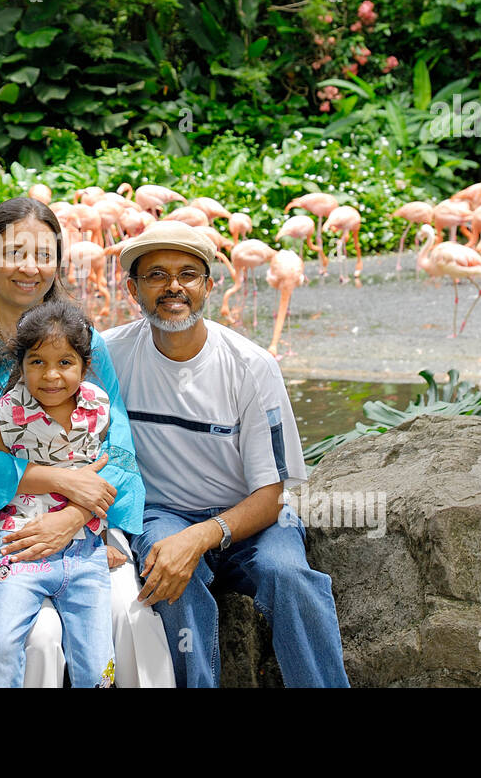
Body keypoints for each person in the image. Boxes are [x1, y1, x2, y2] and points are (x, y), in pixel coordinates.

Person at [0, 195, 174, 687]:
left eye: (44, 254)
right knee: (35, 636)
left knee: (130, 610)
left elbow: (118, 450)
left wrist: (76, 514)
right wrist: (65, 481)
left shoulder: (86, 343)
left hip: (90, 515)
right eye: (15, 251)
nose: (29, 267)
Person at [102, 221, 350, 688]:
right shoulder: (110, 355)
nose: (173, 286)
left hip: (252, 518)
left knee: (290, 576)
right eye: (156, 274)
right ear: (133, 289)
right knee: (169, 576)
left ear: (208, 286)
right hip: (164, 512)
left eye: (188, 274)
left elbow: (273, 494)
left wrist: (202, 536)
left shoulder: (251, 366)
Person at [0, 302, 122, 687]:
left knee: (99, 666)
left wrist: (102, 539)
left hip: (85, 553)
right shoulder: (4, 418)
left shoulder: (99, 408)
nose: (51, 376)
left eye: (65, 362)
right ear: (21, 363)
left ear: (84, 366)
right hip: (20, 549)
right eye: (37, 362)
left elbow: (102, 475)